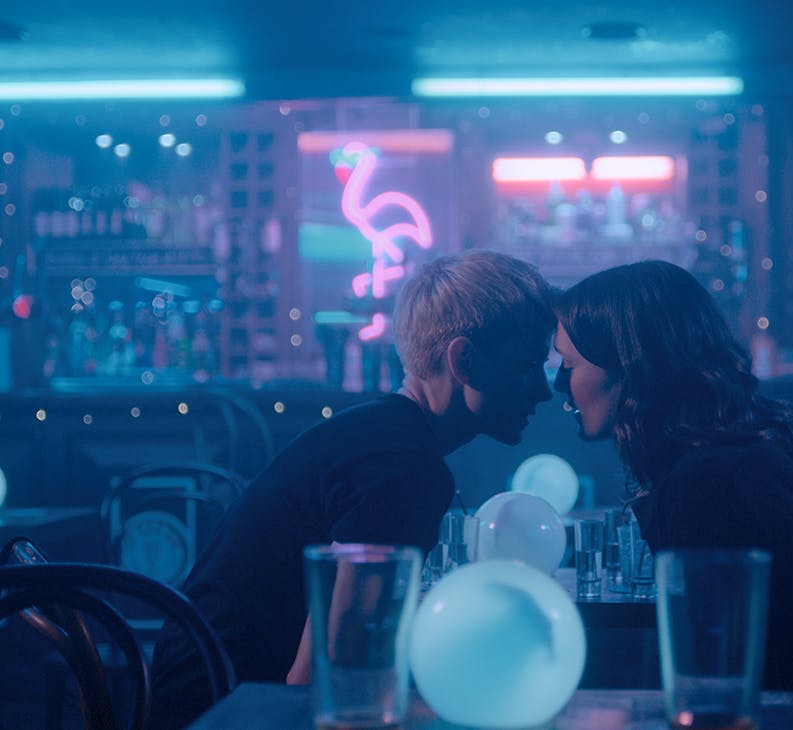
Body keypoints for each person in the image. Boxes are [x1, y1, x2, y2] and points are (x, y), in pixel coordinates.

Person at [149, 250, 557, 727]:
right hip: (226, 709)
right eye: (527, 365)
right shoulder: (404, 467)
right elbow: (327, 677)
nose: (543, 390)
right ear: (463, 359)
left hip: (206, 688)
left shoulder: (384, 437)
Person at [552, 260, 793, 723]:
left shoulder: (707, 482)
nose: (559, 386)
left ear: (629, 365)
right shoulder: (738, 458)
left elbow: (716, 678)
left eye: (569, 366)